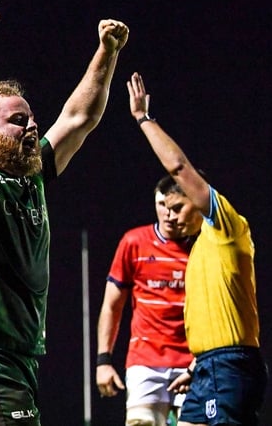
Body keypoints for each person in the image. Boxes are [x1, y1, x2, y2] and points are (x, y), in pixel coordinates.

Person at [0, 3, 128, 424]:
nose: (33, 127)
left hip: (19, 355)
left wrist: (106, 52)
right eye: (19, 121)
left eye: (33, 118)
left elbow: (79, 116)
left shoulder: (33, 175)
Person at [128, 72, 267, 425]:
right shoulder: (197, 251)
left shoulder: (225, 226)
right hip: (206, 368)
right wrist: (195, 366)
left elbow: (178, 168)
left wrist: (144, 119)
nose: (171, 216)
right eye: (166, 209)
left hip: (230, 364)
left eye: (179, 206)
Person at [95, 176, 200, 426]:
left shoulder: (203, 246)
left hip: (193, 361)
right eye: (162, 205)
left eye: (176, 208)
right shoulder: (134, 242)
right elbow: (112, 305)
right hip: (146, 362)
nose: (168, 214)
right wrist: (103, 361)